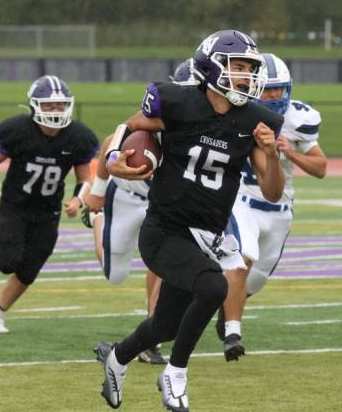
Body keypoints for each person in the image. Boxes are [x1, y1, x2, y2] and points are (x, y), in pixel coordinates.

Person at [93, 30, 284, 411]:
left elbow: (273, 191)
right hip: (164, 230)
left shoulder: (255, 121)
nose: (246, 76)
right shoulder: (179, 101)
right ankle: (175, 374)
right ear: (212, 67)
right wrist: (115, 156)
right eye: (238, 67)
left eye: (250, 69)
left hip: (206, 236)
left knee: (165, 325)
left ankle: (117, 357)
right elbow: (131, 126)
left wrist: (272, 154)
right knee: (213, 287)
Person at [80, 60, 200, 365]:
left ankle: (152, 334)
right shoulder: (161, 117)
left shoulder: (212, 127)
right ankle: (97, 219)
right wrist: (96, 193)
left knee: (164, 261)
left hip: (161, 204)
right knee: (115, 274)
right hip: (125, 195)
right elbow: (113, 140)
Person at [217, 53, 328, 360]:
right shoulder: (238, 112)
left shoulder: (297, 118)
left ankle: (227, 308)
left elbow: (321, 167)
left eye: (279, 89)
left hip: (280, 208)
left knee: (257, 279)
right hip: (243, 199)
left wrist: (289, 153)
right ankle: (233, 333)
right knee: (243, 258)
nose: (274, 95)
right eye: (268, 89)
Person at [0, 75, 99, 334]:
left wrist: (78, 199)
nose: (56, 110)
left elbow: (84, 177)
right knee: (9, 261)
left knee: (30, 268)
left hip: (49, 210)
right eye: (49, 105)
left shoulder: (78, 136)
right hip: (16, 205)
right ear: (35, 106)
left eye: (61, 105)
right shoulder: (18, 130)